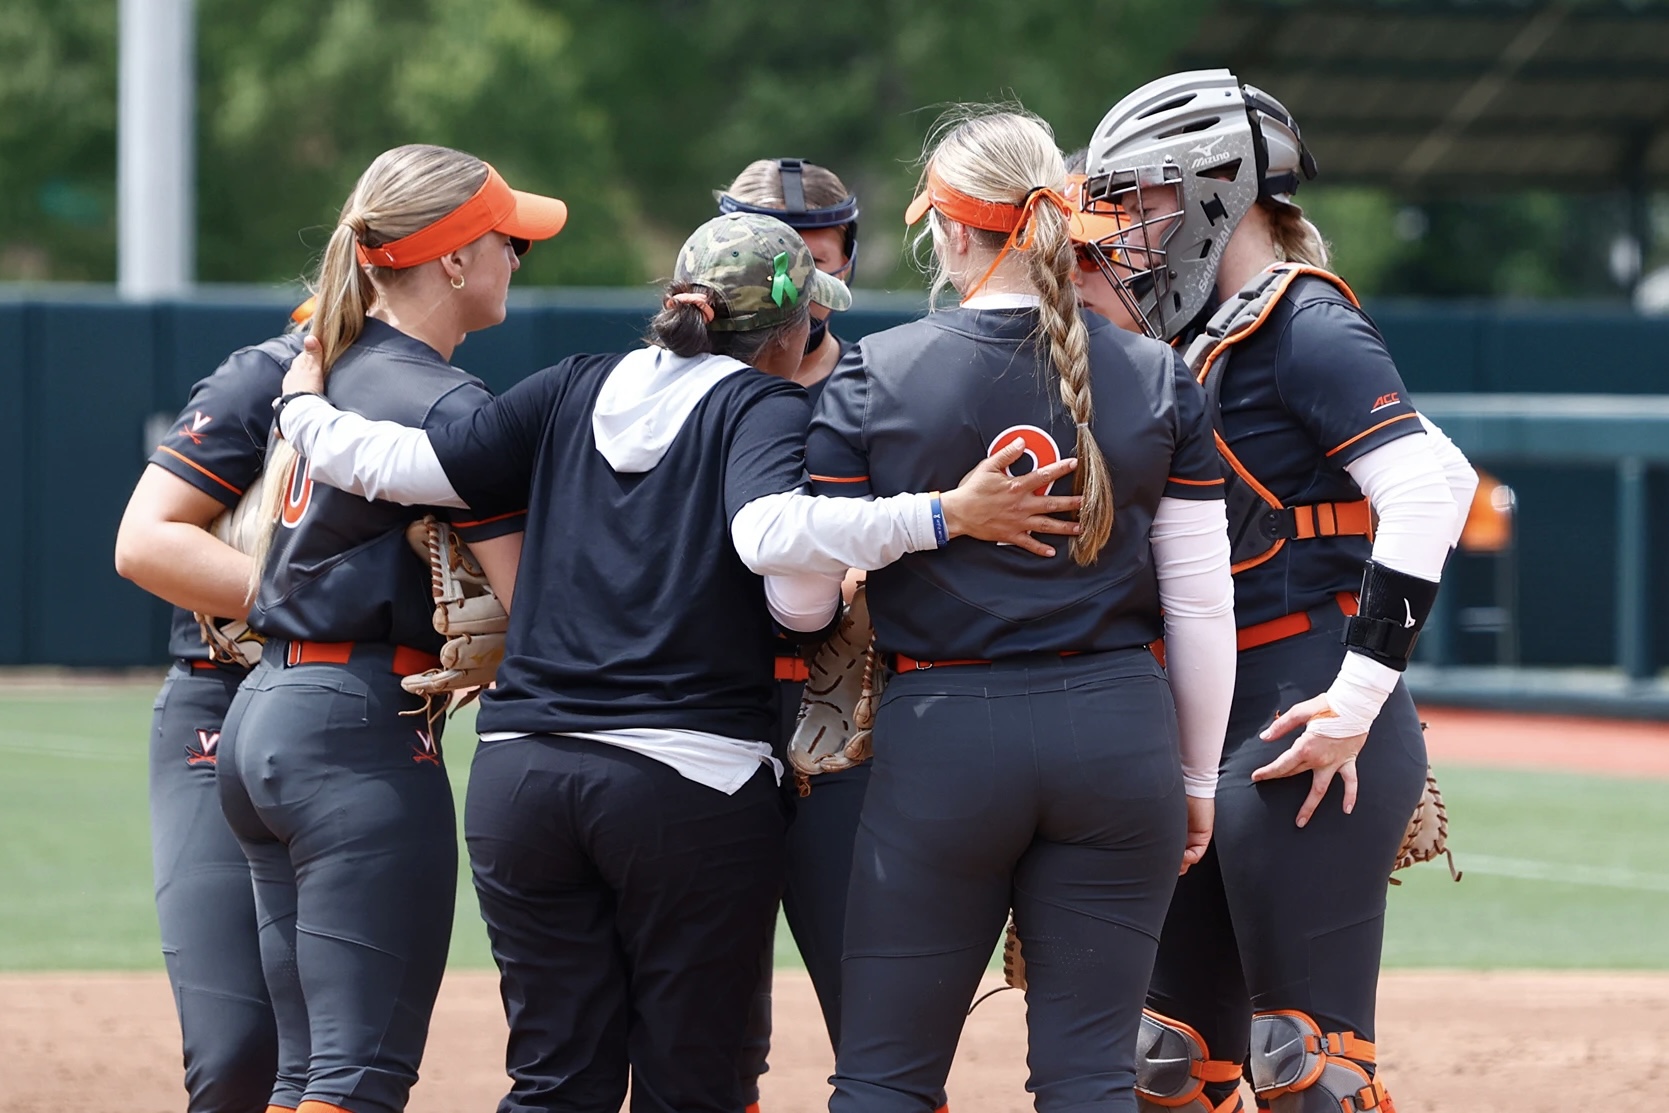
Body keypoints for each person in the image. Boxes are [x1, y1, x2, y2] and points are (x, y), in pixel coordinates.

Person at [270, 210, 1084, 1113]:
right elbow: (778, 558)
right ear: (791, 327)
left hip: (523, 777)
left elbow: (395, 461)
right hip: (686, 784)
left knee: (553, 1081)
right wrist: (943, 516)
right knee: (688, 1083)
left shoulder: (570, 384)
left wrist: (300, 400)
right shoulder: (764, 403)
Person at [806, 105, 1239, 1113]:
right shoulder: (1156, 373)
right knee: (1090, 1079)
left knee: (884, 1079)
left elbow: (797, 598)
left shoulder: (876, 371)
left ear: (953, 231)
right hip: (1118, 729)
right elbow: (1199, 604)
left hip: (944, 733)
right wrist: (1196, 777)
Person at [1081, 71, 1479, 1113]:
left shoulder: (1303, 322)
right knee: (1164, 1065)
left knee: (1305, 1064)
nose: (1125, 226)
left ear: (1221, 187)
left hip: (1299, 715)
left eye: (1143, 198)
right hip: (1194, 724)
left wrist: (1356, 700)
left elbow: (1432, 490)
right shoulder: (1183, 339)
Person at [215, 142, 565, 1113]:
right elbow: (529, 602)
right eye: (507, 241)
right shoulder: (446, 403)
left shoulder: (338, 372)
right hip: (357, 731)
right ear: (453, 259)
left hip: (266, 711)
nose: (515, 259)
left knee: (304, 1077)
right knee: (359, 1080)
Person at [113, 302, 313, 1112]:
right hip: (221, 692)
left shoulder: (441, 396)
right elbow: (144, 544)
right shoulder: (262, 376)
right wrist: (325, 603)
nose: (513, 258)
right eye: (498, 242)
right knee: (239, 1048)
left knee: (337, 1053)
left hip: (369, 714)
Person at [714, 156, 881, 1110]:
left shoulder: (881, 380)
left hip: (847, 719)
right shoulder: (675, 392)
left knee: (872, 1011)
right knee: (709, 1025)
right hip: (714, 709)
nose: (798, 283)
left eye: (814, 255)